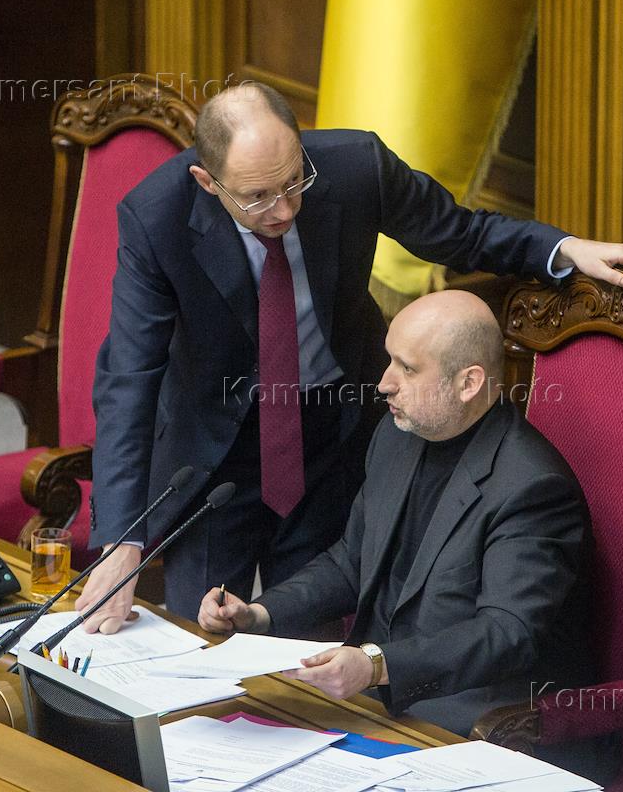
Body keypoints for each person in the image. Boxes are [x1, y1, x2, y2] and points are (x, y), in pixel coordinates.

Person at [78, 81, 623, 633]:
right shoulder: (156, 218)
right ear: (208, 182)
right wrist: (123, 540)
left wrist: (563, 248)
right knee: (197, 639)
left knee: (305, 641)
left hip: (333, 430)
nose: (283, 209)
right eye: (256, 197)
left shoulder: (357, 167)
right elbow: (129, 377)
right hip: (214, 452)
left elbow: (461, 234)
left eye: (293, 181)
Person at [197, 290, 593, 740]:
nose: (384, 382)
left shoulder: (532, 486)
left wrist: (377, 665)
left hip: (476, 724)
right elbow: (351, 561)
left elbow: (506, 633)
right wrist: (259, 614)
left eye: (407, 368)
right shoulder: (397, 434)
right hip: (376, 703)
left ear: (468, 383)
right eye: (389, 360)